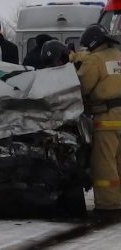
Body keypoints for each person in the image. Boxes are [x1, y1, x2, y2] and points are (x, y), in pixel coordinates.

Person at [71, 23, 121, 219]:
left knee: (105, 164)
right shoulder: (118, 55)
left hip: (107, 119)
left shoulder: (95, 60)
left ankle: (110, 206)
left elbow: (82, 86)